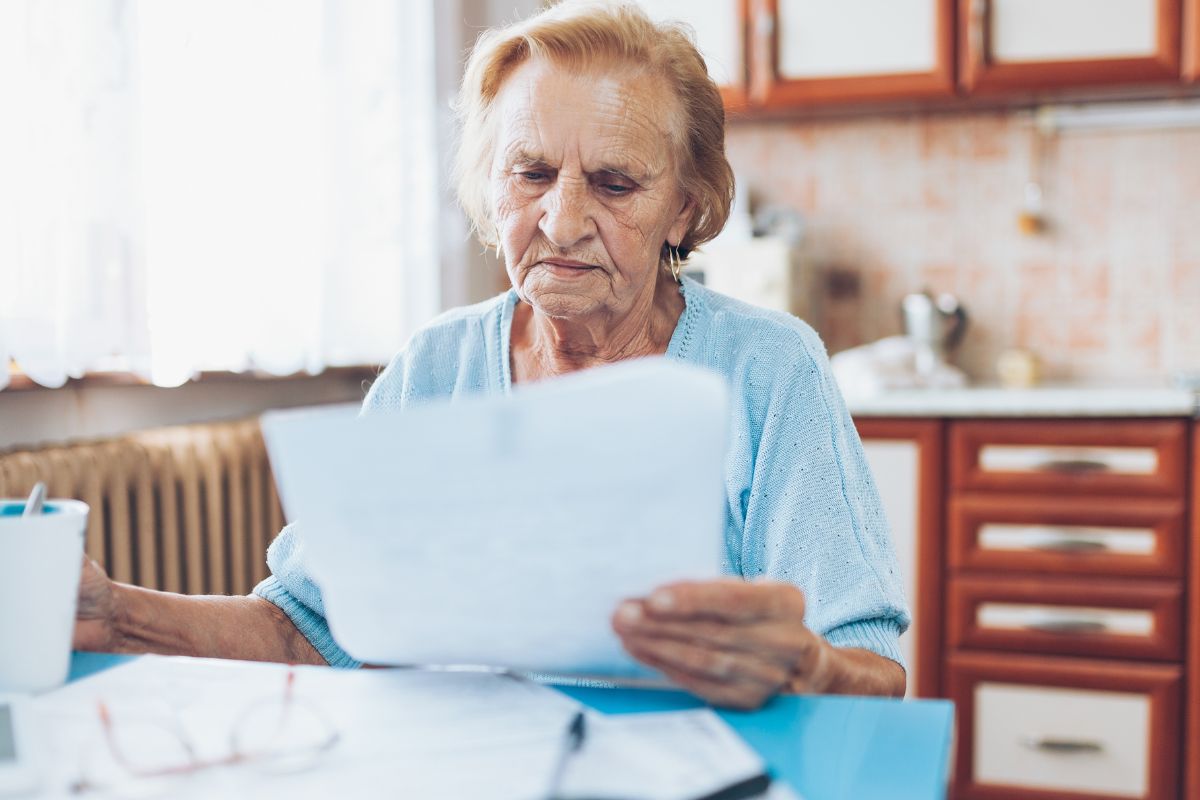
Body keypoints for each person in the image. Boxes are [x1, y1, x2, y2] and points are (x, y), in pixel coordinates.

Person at [73, 0, 909, 710]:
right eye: (532, 173)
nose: (562, 218)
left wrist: (803, 664)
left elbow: (873, 672)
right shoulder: (435, 368)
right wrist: (117, 617)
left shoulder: (769, 370)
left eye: (615, 184)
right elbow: (304, 630)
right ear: (490, 187)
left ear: (685, 211)